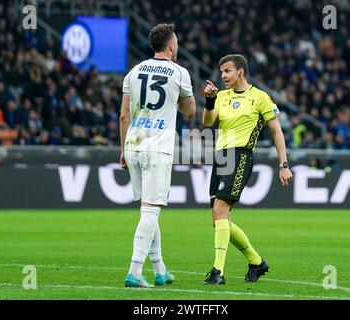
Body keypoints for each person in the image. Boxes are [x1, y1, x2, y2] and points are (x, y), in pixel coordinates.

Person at [202, 54, 293, 285]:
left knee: (221, 209)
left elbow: (276, 132)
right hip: (220, 157)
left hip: (240, 154)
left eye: (227, 71)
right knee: (218, 218)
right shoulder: (221, 96)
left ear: (240, 72)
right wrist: (210, 100)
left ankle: (217, 272)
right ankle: (256, 262)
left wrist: (283, 164)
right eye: (221, 71)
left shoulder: (260, 98)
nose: (223, 76)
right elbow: (207, 122)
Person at [119, 23, 196, 288]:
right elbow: (189, 112)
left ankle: (160, 269)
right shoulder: (179, 72)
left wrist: (122, 148)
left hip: (133, 144)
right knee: (151, 211)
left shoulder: (134, 71)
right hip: (157, 147)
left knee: (147, 209)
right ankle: (135, 272)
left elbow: (123, 115)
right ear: (172, 45)